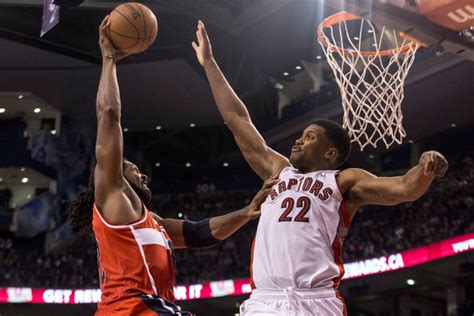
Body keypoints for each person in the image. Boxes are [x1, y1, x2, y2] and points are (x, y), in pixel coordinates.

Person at [192, 20, 448, 315]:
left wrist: (426, 164)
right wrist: (210, 64)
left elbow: (404, 188)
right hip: (265, 300)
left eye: (309, 137)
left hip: (316, 300)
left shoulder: (344, 181)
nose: (298, 141)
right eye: (300, 136)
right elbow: (238, 120)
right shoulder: (278, 171)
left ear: (329, 152)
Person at [67, 17, 278, 316]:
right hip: (131, 310)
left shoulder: (151, 221)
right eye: (129, 167)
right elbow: (109, 114)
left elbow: (200, 234)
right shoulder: (112, 198)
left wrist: (245, 213)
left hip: (153, 308)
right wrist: (109, 60)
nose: (140, 171)